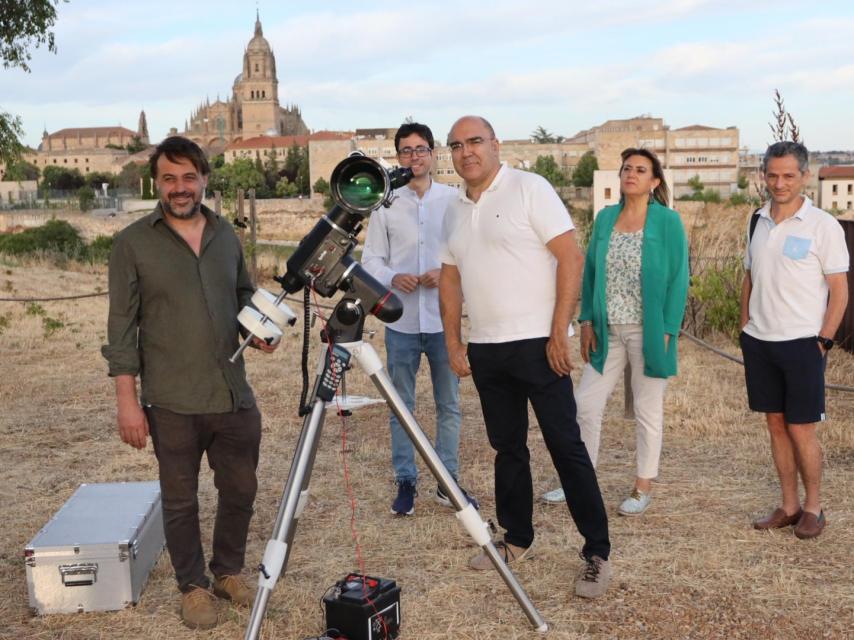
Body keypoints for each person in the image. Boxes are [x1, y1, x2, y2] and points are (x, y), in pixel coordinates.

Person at [101, 136, 278, 629]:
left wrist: (260, 332)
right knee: (179, 500)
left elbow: (245, 297)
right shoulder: (132, 243)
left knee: (241, 489)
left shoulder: (226, 236)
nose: (179, 188)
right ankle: (194, 586)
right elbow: (121, 330)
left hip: (231, 394)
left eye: (188, 177)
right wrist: (127, 403)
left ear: (204, 179)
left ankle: (227, 572)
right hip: (172, 399)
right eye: (169, 178)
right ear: (156, 183)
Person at [439, 115, 611, 599]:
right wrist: (455, 341)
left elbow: (571, 257)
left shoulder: (529, 188)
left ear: (495, 145)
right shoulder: (453, 209)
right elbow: (450, 277)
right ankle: (516, 538)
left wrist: (559, 331)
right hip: (488, 349)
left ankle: (596, 551)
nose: (466, 151)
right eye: (456, 145)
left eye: (475, 141)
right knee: (507, 448)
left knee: (565, 446)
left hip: (539, 344)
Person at [541, 148, 689, 516]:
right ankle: (578, 479)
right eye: (627, 168)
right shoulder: (606, 218)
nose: (631, 174)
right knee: (586, 405)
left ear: (655, 181)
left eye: (641, 170)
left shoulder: (668, 222)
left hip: (649, 330)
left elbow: (679, 278)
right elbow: (590, 273)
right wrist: (587, 321)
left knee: (647, 409)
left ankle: (642, 486)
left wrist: (669, 328)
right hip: (608, 330)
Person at [362, 122, 478, 516]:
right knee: (401, 406)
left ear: (433, 154)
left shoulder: (454, 200)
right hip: (402, 323)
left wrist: (443, 274)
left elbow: (467, 252)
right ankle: (406, 481)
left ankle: (448, 482)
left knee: (449, 405)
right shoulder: (385, 204)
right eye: (406, 150)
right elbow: (371, 260)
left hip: (444, 321)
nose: (414, 157)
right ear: (399, 157)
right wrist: (393, 277)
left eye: (421, 149)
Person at [740, 141, 849, 540]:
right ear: (763, 175)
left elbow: (839, 290)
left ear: (804, 175)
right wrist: (744, 326)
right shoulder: (756, 219)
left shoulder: (823, 226)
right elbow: (750, 276)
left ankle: (814, 508)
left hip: (803, 343)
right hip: (759, 342)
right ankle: (788, 505)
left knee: (802, 428)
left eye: (788, 175)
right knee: (775, 424)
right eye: (772, 175)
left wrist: (823, 341)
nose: (779, 183)